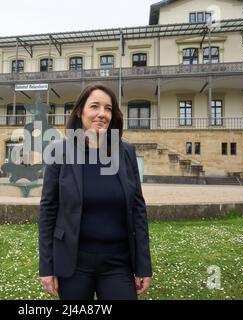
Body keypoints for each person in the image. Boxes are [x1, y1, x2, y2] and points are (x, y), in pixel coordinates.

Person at [38, 83, 153, 300]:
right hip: (73, 264)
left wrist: (143, 265)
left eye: (108, 108)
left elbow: (138, 210)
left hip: (118, 263)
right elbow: (47, 211)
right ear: (80, 111)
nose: (102, 114)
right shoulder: (59, 152)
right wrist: (46, 266)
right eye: (95, 106)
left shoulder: (126, 152)